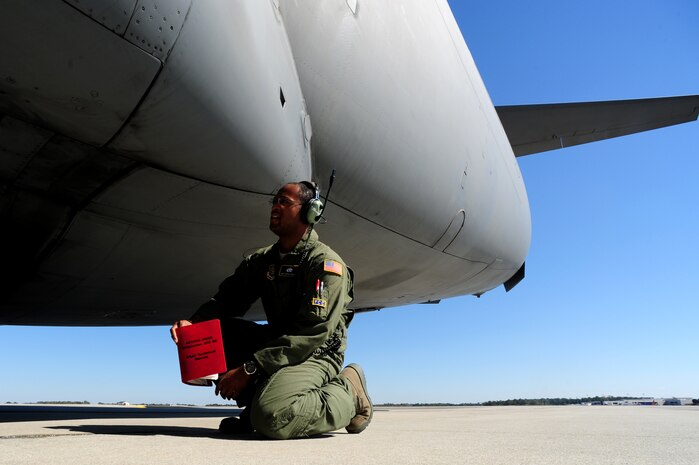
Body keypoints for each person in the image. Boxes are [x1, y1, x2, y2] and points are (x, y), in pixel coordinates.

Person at [170, 181, 372, 439]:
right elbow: (227, 300)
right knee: (216, 331)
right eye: (274, 201)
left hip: (316, 352)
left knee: (272, 418)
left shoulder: (325, 264)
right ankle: (256, 405)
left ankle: (348, 391)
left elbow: (311, 334)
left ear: (310, 212)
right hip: (278, 344)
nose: (275, 207)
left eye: (284, 202)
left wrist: (249, 369)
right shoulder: (263, 260)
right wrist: (193, 324)